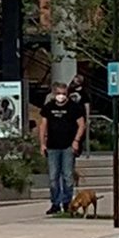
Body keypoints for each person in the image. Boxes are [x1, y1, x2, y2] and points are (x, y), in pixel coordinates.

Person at [38, 74, 90, 217]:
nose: (61, 96)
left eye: (63, 94)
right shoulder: (48, 107)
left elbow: (81, 125)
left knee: (67, 175)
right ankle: (55, 203)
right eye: (58, 94)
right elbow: (43, 126)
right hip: (52, 146)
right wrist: (42, 144)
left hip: (68, 146)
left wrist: (76, 141)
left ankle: (67, 202)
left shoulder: (74, 107)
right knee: (53, 177)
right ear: (54, 94)